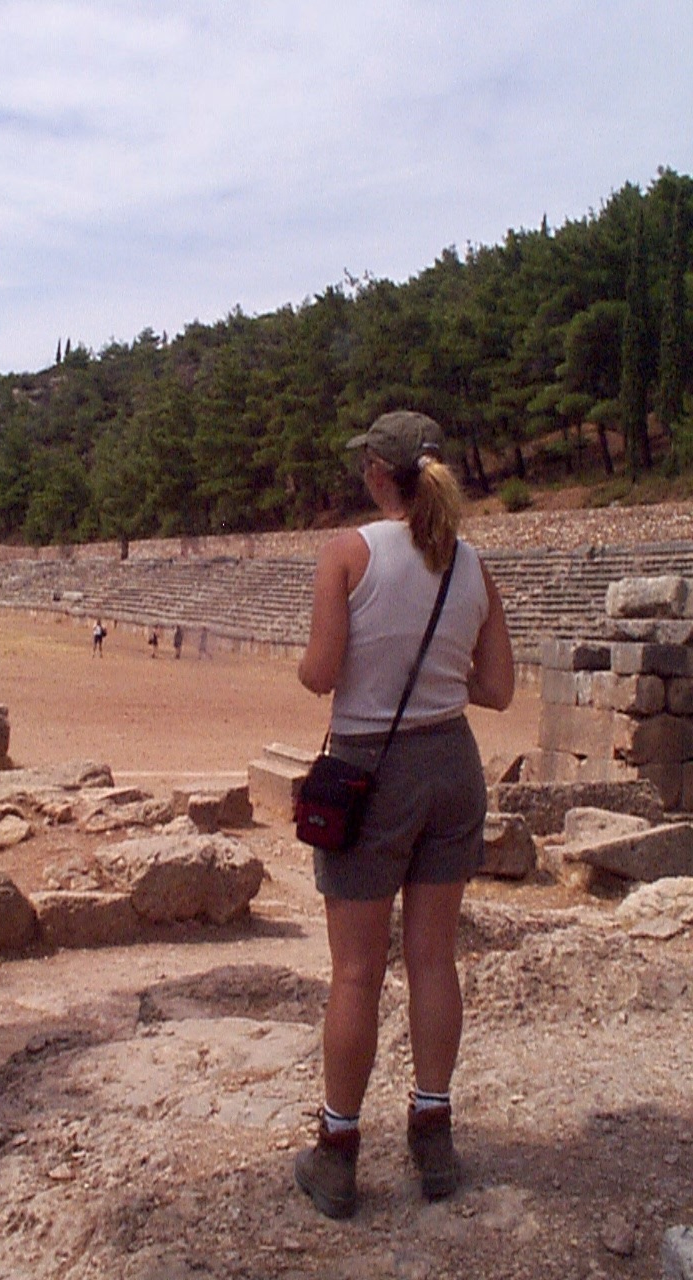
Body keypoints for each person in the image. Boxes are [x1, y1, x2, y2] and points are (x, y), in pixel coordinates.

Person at [294, 410, 514, 1219]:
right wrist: (440, 679)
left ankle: (338, 1150)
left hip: (369, 768)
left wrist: (319, 666)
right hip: (451, 764)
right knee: (433, 960)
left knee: (356, 971)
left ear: (381, 476)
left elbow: (322, 673)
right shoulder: (472, 563)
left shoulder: (347, 553)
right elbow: (498, 689)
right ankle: (433, 1133)